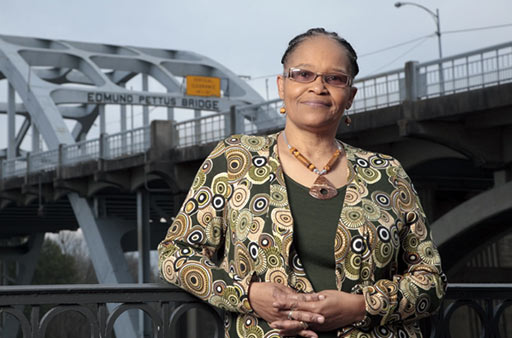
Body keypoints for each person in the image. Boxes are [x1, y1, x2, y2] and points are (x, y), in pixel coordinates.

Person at [158, 28, 446, 338]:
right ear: (282, 86)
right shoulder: (233, 160)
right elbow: (175, 254)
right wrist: (248, 294)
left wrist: (362, 306)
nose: (318, 87)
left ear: (350, 96)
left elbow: (431, 280)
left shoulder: (387, 174)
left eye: (334, 79)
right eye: (303, 74)